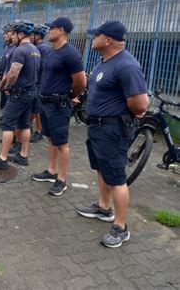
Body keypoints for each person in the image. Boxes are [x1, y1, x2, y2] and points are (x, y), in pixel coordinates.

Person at [76, 20, 148, 248]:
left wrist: (119, 118)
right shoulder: (104, 61)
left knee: (117, 178)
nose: (92, 38)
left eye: (95, 35)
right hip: (97, 127)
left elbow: (140, 103)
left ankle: (121, 227)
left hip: (114, 129)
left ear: (107, 39)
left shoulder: (126, 65)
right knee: (101, 168)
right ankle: (103, 208)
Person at [31, 17, 86, 196]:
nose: (47, 31)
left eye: (51, 28)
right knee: (51, 139)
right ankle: (51, 171)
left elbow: (80, 82)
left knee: (62, 143)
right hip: (46, 102)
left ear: (61, 30)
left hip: (59, 105)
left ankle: (61, 179)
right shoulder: (51, 51)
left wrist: (70, 96)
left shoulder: (70, 53)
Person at [0, 20, 40, 170]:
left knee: (7, 125)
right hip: (31, 91)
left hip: (19, 93)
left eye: (14, 33)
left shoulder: (19, 50)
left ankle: (2, 159)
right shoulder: (35, 49)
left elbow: (13, 73)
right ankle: (23, 155)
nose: (12, 36)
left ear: (21, 34)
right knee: (24, 124)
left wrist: (6, 87)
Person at [29, 24, 50, 143]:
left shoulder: (42, 48)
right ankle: (31, 127)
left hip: (40, 82)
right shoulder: (37, 46)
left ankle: (39, 131)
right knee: (33, 108)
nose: (30, 37)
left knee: (37, 109)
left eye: (32, 35)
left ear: (38, 36)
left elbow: (40, 66)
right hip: (36, 81)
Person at [0, 23, 17, 127]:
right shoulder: (7, 46)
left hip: (8, 79)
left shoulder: (15, 49)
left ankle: (6, 120)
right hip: (3, 75)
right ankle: (4, 117)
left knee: (9, 102)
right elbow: (3, 62)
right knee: (3, 101)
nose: (5, 35)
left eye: (7, 33)